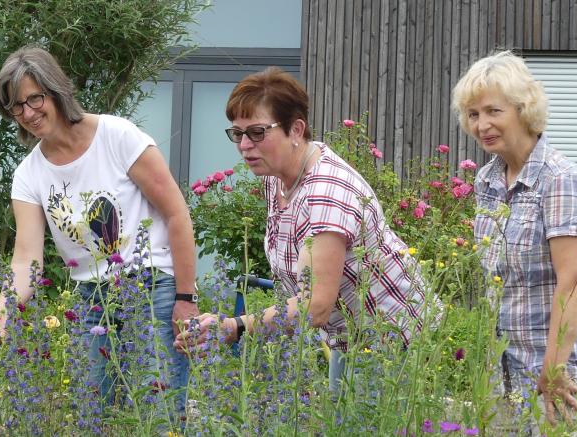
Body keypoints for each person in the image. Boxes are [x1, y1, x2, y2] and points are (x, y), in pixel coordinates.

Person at [175, 67, 439, 395]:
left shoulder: (326, 191)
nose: (244, 145)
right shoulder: (279, 176)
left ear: (296, 129)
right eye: (237, 133)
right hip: (350, 339)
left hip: (393, 342)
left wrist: (234, 326)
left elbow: (315, 304)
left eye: (257, 132)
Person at [0, 45, 198, 413]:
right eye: (16, 107)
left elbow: (177, 214)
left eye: (34, 99)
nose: (28, 113)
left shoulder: (118, 137)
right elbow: (26, 260)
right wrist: (0, 313)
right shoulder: (29, 175)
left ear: (55, 90)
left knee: (158, 409)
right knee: (93, 413)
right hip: (92, 300)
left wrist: (186, 298)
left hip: (154, 288)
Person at [452, 50, 577, 434]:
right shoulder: (487, 181)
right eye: (473, 115)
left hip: (563, 369)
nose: (482, 124)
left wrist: (554, 368)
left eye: (494, 111)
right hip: (506, 367)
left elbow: (573, 282)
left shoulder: (559, 179)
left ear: (523, 109)